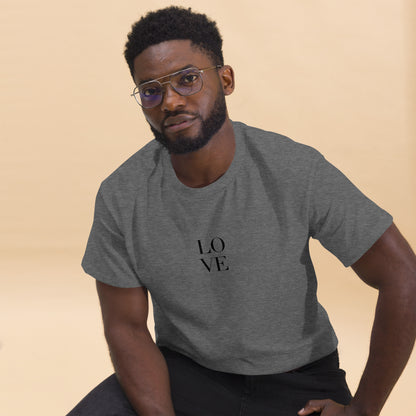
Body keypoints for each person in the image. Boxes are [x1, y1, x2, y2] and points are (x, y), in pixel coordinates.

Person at [67, 6, 416, 416]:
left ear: (225, 79)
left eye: (187, 79)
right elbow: (125, 326)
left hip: (298, 381)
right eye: (150, 91)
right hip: (185, 374)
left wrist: (363, 411)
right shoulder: (121, 195)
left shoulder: (293, 169)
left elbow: (403, 275)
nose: (171, 101)